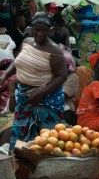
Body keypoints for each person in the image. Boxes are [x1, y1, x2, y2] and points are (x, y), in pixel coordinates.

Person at [0, 13, 67, 149]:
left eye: (43, 30)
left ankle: (42, 166)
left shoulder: (54, 51)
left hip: (46, 99)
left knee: (46, 139)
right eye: (37, 29)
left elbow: (62, 76)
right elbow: (17, 61)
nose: (40, 33)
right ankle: (19, 165)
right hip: (24, 96)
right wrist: (5, 74)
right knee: (19, 134)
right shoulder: (27, 42)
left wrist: (41, 93)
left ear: (50, 30)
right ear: (31, 29)